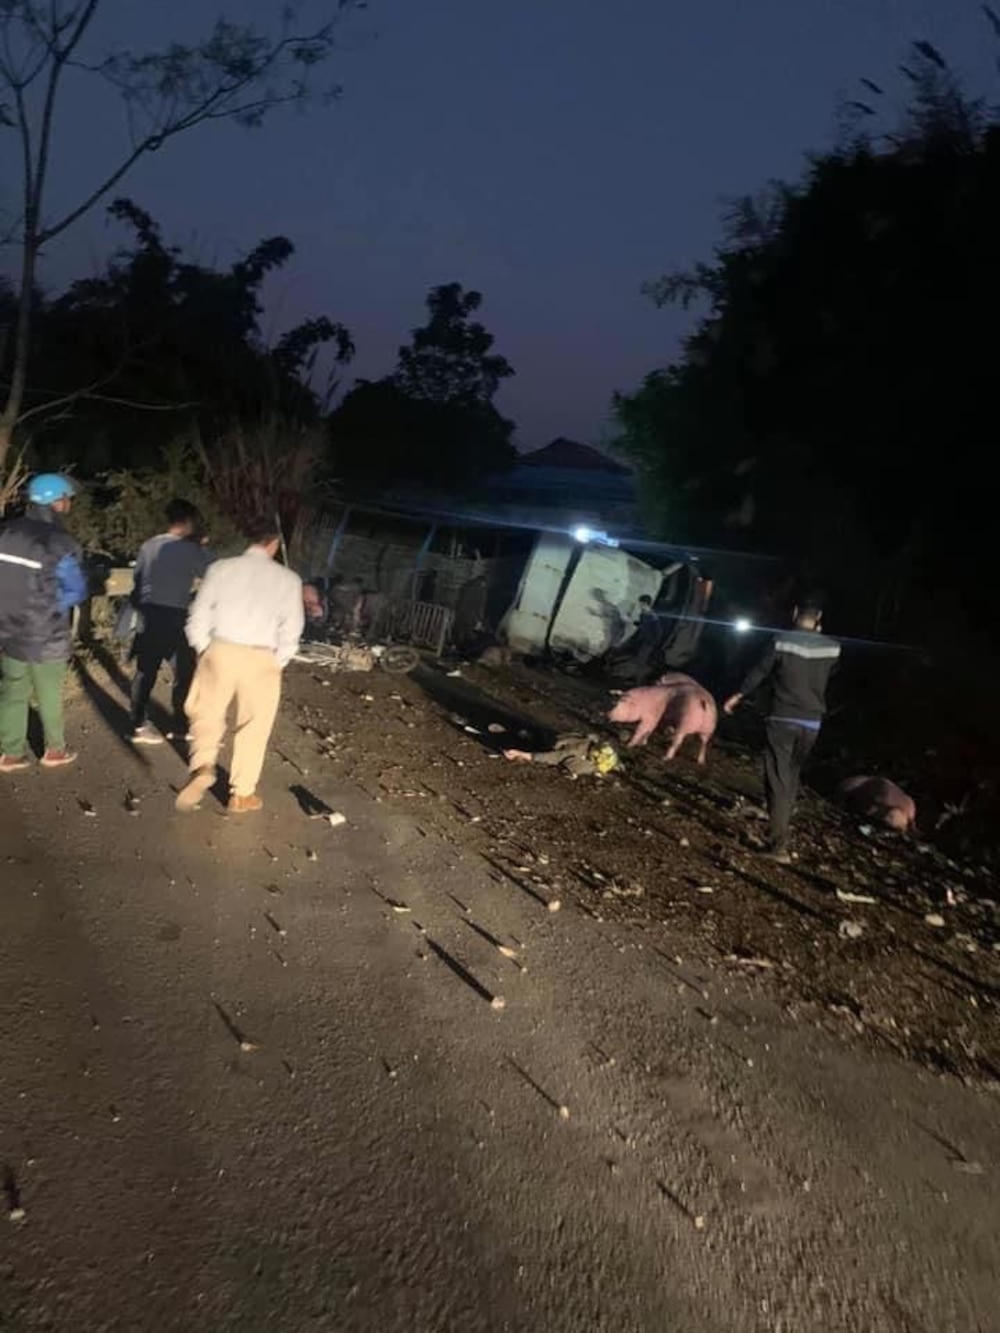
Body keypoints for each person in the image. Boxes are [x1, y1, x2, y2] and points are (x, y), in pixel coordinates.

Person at [176, 516, 304, 814]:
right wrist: (279, 660)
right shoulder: (289, 580)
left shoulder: (220, 568)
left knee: (207, 713)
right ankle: (241, 793)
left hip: (220, 648)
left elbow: (198, 614)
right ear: (274, 544)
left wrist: (204, 647)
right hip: (261, 657)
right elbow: (292, 628)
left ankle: (203, 765)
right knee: (254, 725)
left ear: (249, 539)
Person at [723, 598, 840, 863]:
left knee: (777, 776)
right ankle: (781, 824)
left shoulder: (781, 641)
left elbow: (760, 671)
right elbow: (829, 675)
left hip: (783, 716)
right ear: (819, 617)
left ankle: (778, 845)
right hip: (812, 722)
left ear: (795, 613)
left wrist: (739, 695)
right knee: (792, 775)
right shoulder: (833, 648)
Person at [0, 473, 88, 772]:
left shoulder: (6, 532)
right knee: (49, 693)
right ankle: (54, 750)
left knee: (13, 691)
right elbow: (75, 590)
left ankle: (10, 753)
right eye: (67, 498)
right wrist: (49, 605)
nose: (69, 503)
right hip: (45, 633)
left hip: (8, 629)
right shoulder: (60, 542)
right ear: (57, 502)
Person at [129, 499, 212, 744]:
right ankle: (180, 723)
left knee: (145, 671)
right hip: (176, 615)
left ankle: (138, 724)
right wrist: (203, 547)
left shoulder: (149, 545)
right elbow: (213, 571)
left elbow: (138, 577)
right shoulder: (190, 549)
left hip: (149, 614)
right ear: (188, 522)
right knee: (184, 672)